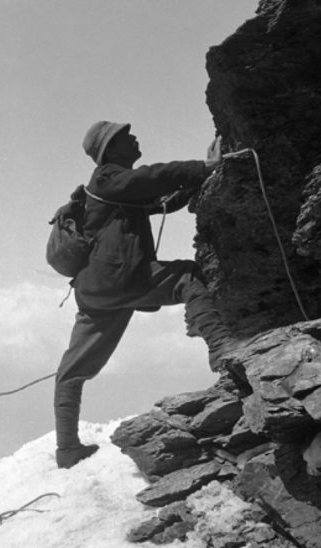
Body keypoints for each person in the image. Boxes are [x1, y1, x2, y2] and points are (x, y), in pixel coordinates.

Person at [54, 121, 231, 469]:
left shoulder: (112, 187)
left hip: (96, 293)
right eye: (124, 138)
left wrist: (199, 179)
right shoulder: (107, 177)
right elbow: (149, 179)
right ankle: (223, 347)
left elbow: (157, 198)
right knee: (188, 276)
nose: (134, 138)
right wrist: (203, 167)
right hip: (123, 280)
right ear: (109, 151)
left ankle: (67, 449)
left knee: (71, 372)